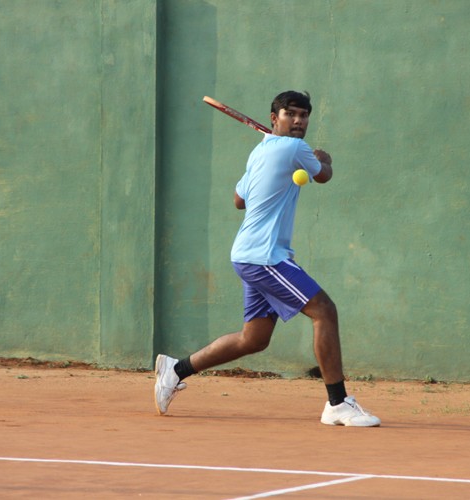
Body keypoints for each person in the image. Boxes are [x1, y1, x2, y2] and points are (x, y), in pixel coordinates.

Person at [154, 91, 380, 427]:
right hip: (265, 257)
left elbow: (238, 199)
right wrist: (325, 158)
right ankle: (337, 403)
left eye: (303, 116)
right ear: (274, 118)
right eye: (290, 114)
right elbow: (323, 175)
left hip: (249, 254)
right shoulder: (294, 149)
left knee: (254, 339)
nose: (299, 121)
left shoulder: (259, 153)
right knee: (324, 311)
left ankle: (176, 369)